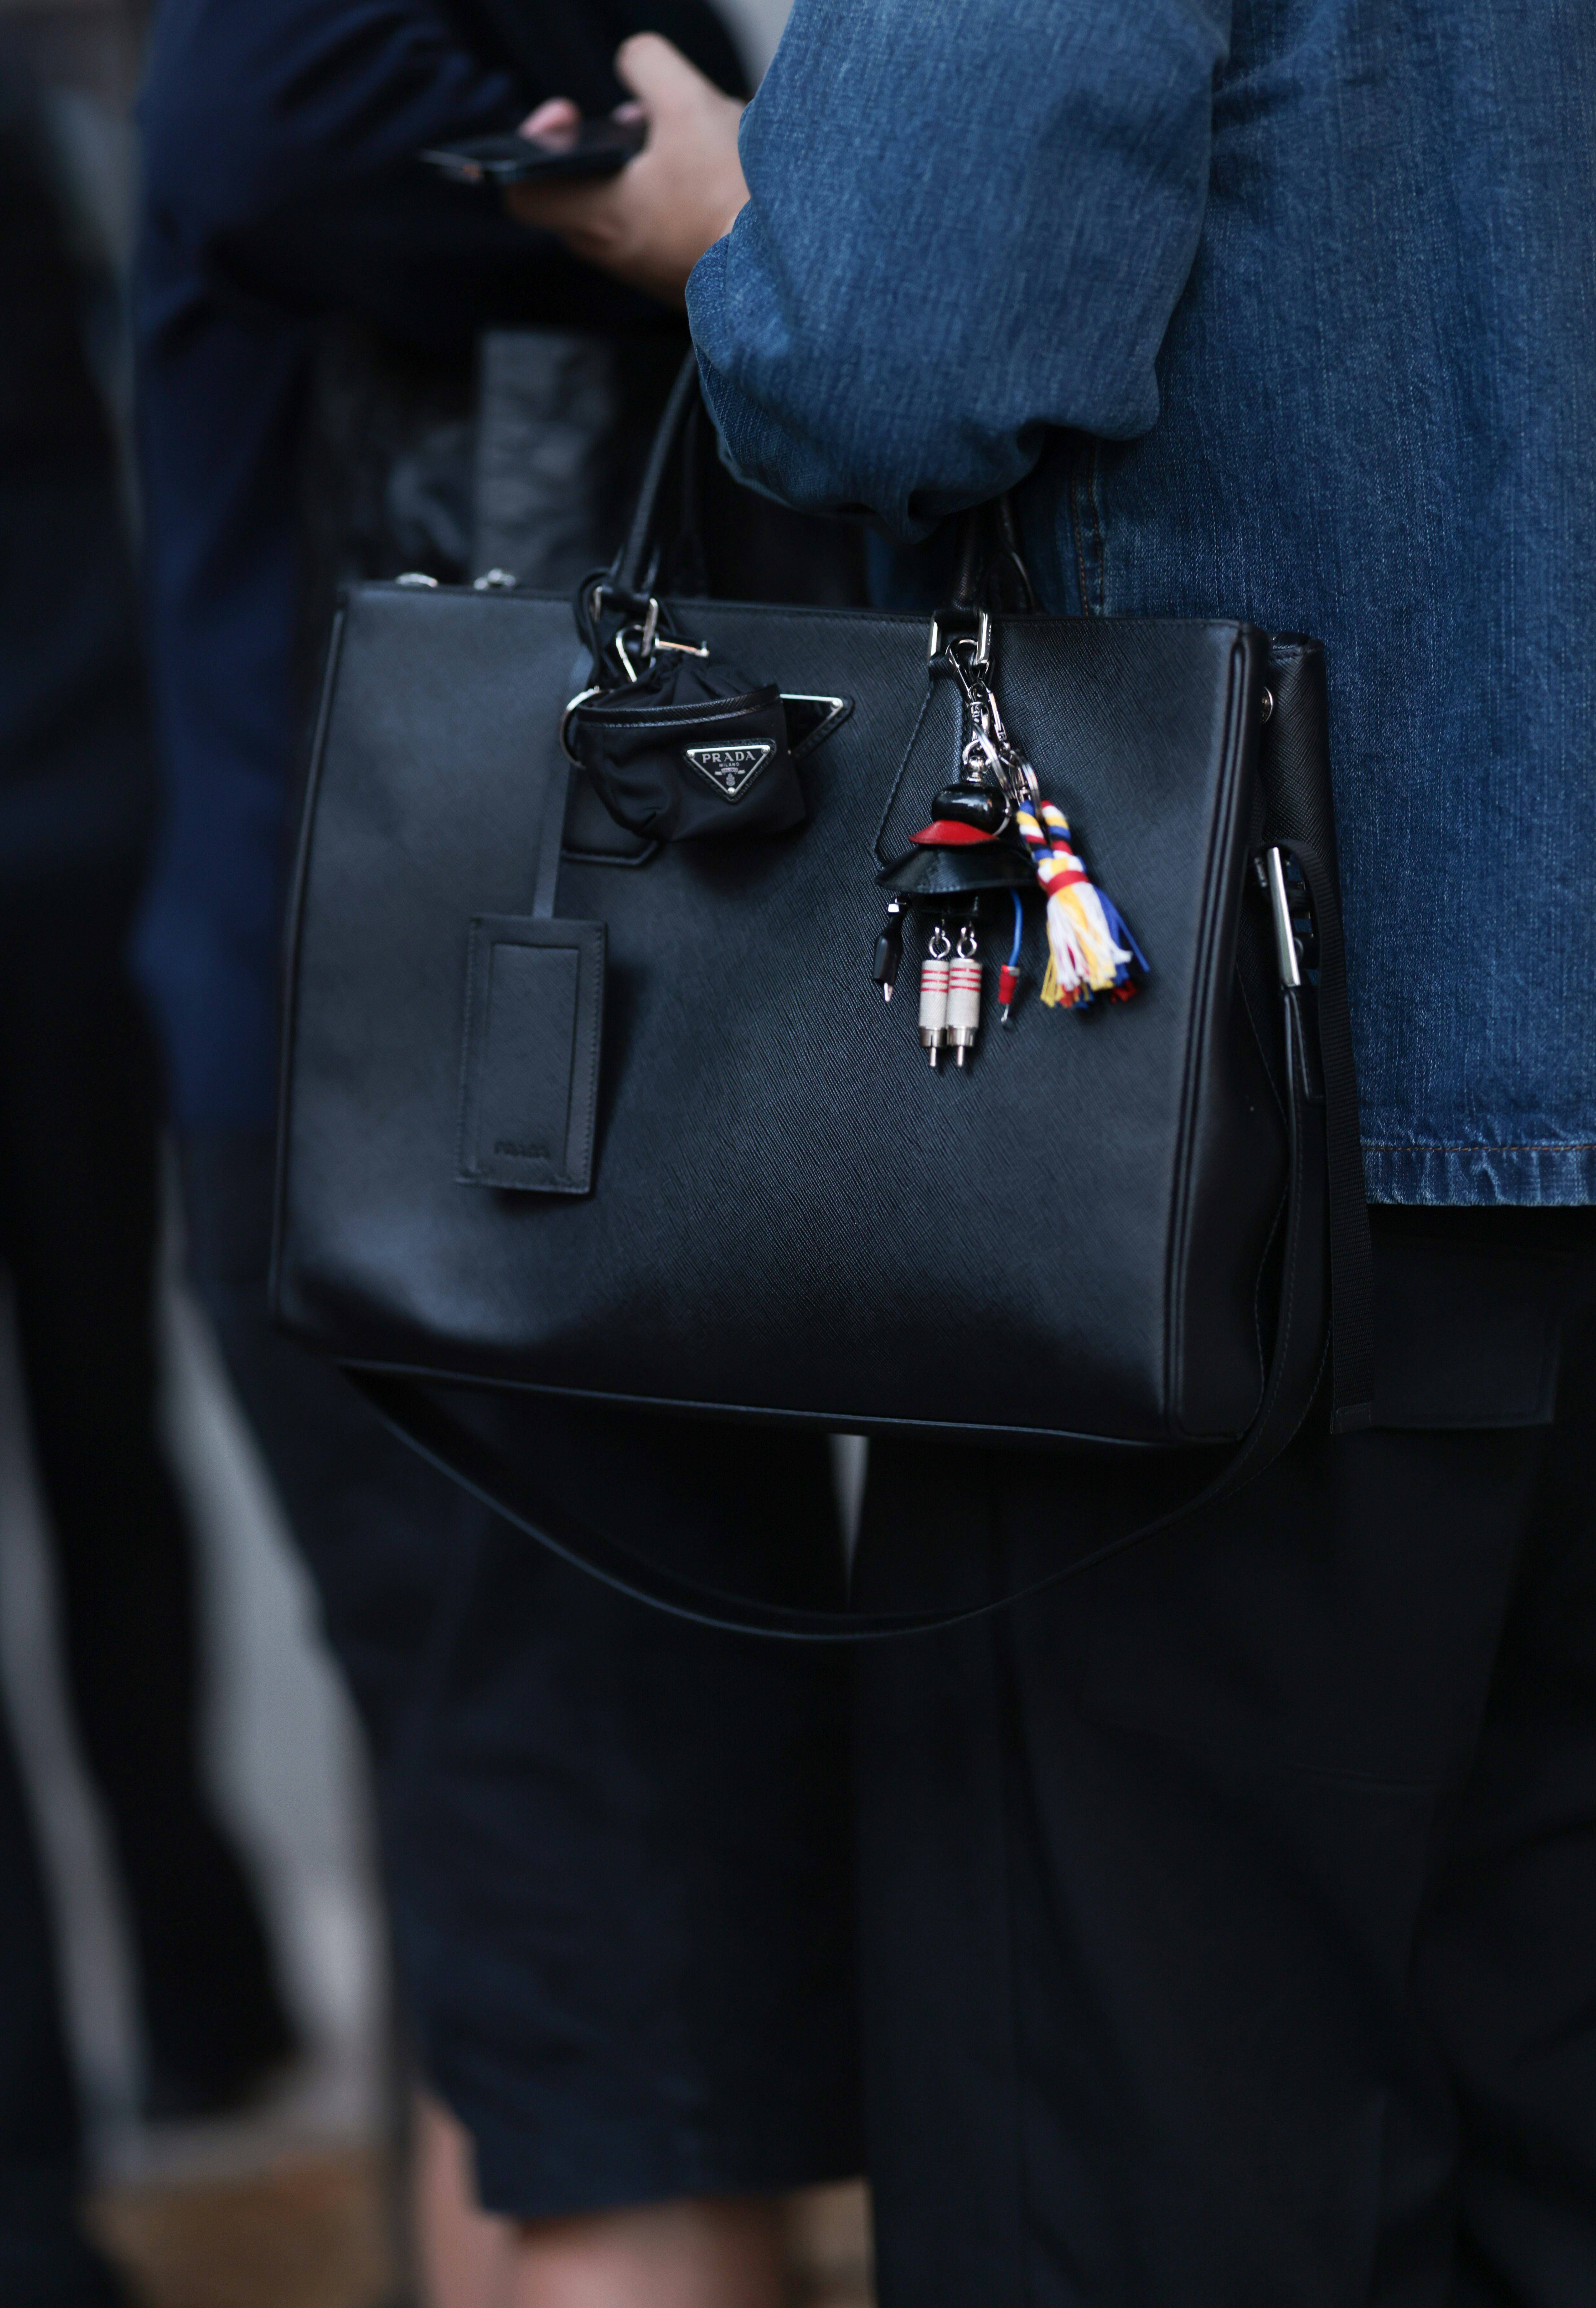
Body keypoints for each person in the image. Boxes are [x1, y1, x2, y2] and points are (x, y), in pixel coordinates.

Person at [510, 12, 1596, 2304]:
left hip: (1235, 1112)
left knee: (1142, 2160)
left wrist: (716, 192)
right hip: (1443, 1079)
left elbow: (887, 338)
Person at [133, 5, 858, 2303]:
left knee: (560, 2044)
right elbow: (254, 122)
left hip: (434, 1086)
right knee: (648, 2072)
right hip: (460, 1111)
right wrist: (706, 198)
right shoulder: (343, 71)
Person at [0, 44, 293, 2148]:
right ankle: (207, 1992)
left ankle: (90, 2103)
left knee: (115, 1453)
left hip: (77, 818)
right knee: (116, 1451)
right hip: (79, 812)